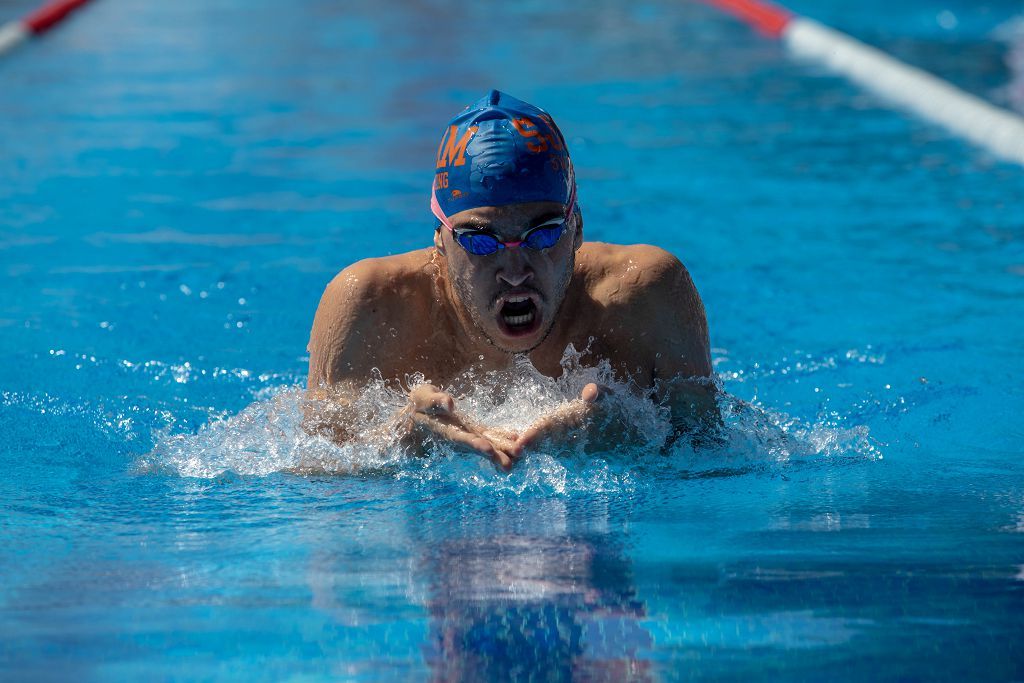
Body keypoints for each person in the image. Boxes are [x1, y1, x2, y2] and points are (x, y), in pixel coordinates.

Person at [306, 90, 715, 470]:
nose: (516, 271)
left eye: (544, 233)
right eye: (481, 240)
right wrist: (399, 441)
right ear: (440, 238)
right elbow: (311, 478)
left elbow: (719, 462)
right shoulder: (369, 305)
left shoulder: (646, 295)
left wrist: (639, 442)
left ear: (577, 229)